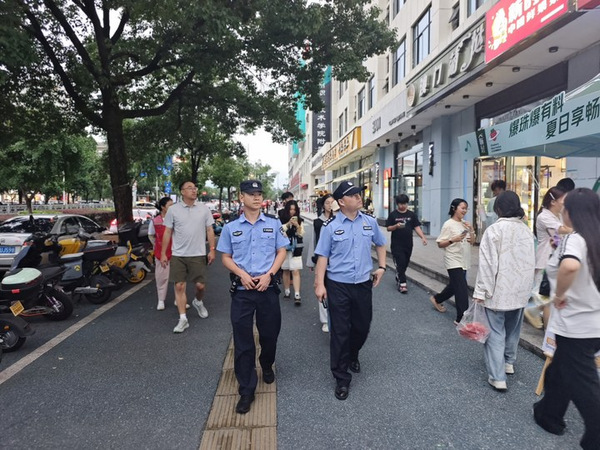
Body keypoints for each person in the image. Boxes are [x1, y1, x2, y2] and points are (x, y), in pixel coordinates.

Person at [533, 188, 600, 449]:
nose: (562, 210)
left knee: (584, 384)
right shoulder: (591, 237)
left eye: (565, 207)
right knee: (559, 371)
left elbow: (570, 266)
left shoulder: (576, 239)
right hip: (591, 322)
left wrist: (560, 294)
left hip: (577, 325)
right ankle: (548, 414)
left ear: (572, 212)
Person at [217, 179, 288, 414]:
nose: (257, 197)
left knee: (269, 335)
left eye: (259, 194)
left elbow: (281, 251)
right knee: (243, 341)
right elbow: (225, 257)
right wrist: (241, 274)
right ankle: (246, 389)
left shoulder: (273, 224)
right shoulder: (230, 227)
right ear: (242, 197)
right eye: (251, 194)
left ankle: (266, 364)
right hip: (242, 291)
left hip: (267, 288)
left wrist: (270, 275)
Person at [314, 181, 387, 401]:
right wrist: (319, 284)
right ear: (342, 201)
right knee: (340, 331)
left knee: (362, 326)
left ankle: (353, 353)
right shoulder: (330, 226)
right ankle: (341, 378)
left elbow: (380, 243)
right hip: (338, 285)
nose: (358, 197)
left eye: (358, 194)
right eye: (353, 195)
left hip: (363, 284)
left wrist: (382, 267)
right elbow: (322, 256)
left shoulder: (369, 222)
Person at [473, 191, 535, 391]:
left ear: (498, 208)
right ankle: (509, 362)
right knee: (513, 330)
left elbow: (488, 265)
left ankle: (497, 377)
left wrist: (481, 291)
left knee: (495, 332)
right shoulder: (526, 231)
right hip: (520, 291)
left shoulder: (494, 231)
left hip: (498, 291)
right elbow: (531, 263)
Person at [160, 181, 216, 333]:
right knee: (179, 286)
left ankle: (198, 301)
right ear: (182, 192)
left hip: (198, 253)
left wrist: (212, 250)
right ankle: (183, 318)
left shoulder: (204, 209)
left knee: (200, 286)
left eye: (195, 188)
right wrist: (163, 253)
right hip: (178, 254)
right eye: (189, 188)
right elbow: (167, 232)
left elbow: (210, 230)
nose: (193, 190)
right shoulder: (173, 210)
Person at [524, 187, 572, 329]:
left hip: (555, 259)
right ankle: (535, 313)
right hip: (545, 260)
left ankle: (534, 311)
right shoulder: (544, 216)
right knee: (545, 298)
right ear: (553, 202)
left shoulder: (557, 216)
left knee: (548, 297)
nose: (565, 203)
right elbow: (563, 230)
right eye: (563, 200)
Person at [430, 198, 475, 324]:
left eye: (466, 208)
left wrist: (471, 230)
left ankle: (437, 299)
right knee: (461, 288)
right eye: (462, 208)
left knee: (455, 285)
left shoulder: (465, 224)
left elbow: (472, 242)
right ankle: (461, 318)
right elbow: (440, 244)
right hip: (453, 259)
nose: (465, 211)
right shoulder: (448, 224)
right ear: (454, 208)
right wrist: (452, 240)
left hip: (464, 259)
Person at [385, 194, 428, 294]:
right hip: (396, 244)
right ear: (397, 204)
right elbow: (388, 228)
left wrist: (423, 237)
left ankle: (399, 275)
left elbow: (416, 227)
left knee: (405, 263)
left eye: (404, 203)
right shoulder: (393, 215)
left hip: (408, 243)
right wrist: (396, 226)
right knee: (400, 262)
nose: (402, 206)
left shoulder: (411, 215)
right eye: (400, 204)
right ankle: (403, 284)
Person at [306, 194, 336, 332]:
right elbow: (313, 242)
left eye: (332, 202)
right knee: (322, 287)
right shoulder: (318, 222)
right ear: (323, 205)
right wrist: (311, 261)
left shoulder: (340, 219)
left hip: (336, 260)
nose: (330, 205)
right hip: (321, 259)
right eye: (327, 203)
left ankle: (336, 316)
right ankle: (325, 320)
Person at [148, 197, 174, 311]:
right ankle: (161, 300)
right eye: (170, 206)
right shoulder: (155, 221)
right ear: (163, 207)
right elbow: (151, 235)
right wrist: (157, 245)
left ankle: (179, 299)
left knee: (179, 277)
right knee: (161, 277)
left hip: (176, 251)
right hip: (161, 253)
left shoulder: (176, 220)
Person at [279, 200, 304, 305]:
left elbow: (301, 234)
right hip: (284, 248)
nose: (292, 212)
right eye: (290, 209)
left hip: (296, 248)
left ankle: (297, 294)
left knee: (295, 270)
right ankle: (287, 291)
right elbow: (280, 231)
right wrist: (288, 224)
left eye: (294, 209)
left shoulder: (300, 220)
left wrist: (297, 225)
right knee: (285, 270)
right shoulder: (281, 219)